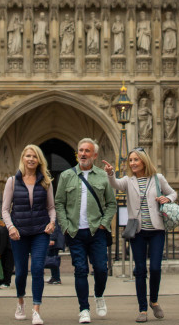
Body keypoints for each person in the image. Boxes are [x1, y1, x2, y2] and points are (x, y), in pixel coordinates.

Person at [102, 148, 177, 322]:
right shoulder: (129, 181)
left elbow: (173, 193)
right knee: (140, 270)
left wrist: (168, 199)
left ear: (144, 161)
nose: (133, 163)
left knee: (156, 268)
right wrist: (111, 173)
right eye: (131, 160)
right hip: (138, 231)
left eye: (136, 159)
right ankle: (142, 309)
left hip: (157, 230)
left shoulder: (157, 179)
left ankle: (154, 301)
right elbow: (115, 184)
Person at [55, 138, 117, 324]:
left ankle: (98, 295)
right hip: (75, 232)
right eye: (80, 150)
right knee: (80, 270)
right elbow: (59, 202)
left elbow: (111, 203)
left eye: (87, 151)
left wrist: (104, 224)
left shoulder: (102, 176)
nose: (83, 154)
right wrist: (65, 226)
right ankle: (84, 309)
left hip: (96, 231)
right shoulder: (66, 176)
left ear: (95, 155)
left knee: (101, 269)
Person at [2, 145, 56, 325]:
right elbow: (5, 210)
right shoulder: (12, 181)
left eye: (34, 156)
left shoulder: (45, 182)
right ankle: (20, 301)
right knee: (21, 273)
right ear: (23, 158)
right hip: (19, 233)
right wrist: (11, 227)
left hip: (40, 231)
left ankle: (36, 310)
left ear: (39, 160)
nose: (31, 159)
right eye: (28, 156)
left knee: (38, 269)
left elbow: (51, 208)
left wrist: (51, 222)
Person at [46, 219, 65, 285]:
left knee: (53, 259)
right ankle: (54, 277)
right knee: (53, 259)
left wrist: (52, 238)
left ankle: (56, 278)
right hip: (55, 239)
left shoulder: (53, 215)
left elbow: (54, 226)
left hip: (54, 240)